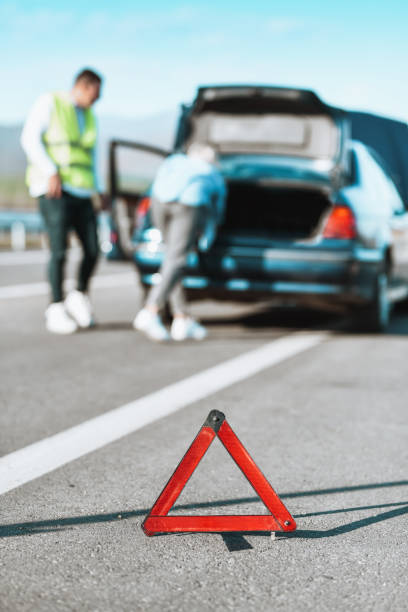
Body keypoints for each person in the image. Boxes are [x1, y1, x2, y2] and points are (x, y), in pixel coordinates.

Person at [21, 68, 103, 334]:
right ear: (84, 86)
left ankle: (78, 295)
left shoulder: (90, 115)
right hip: (54, 188)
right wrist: (49, 170)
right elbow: (29, 138)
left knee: (93, 248)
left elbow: (91, 157)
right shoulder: (51, 102)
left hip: (81, 190)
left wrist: (99, 188)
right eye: (96, 93)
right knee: (59, 250)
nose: (98, 99)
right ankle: (55, 307)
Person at [133, 142, 226, 342]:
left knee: (171, 260)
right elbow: (218, 208)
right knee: (177, 260)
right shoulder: (212, 171)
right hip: (188, 205)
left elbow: (155, 184)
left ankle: (181, 317)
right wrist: (209, 233)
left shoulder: (174, 161)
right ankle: (151, 310)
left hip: (159, 203)